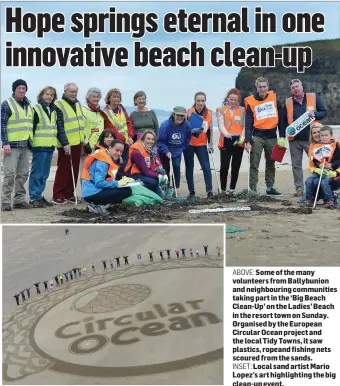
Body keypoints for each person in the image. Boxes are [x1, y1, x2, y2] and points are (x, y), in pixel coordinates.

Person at [282, 79, 327, 197]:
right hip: (294, 139)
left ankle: (322, 186)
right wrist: (284, 134)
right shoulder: (287, 102)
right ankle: (299, 189)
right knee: (296, 165)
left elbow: (324, 112)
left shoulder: (313, 97)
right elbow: (283, 121)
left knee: (317, 162)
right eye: (293, 88)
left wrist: (315, 114)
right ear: (291, 90)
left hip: (311, 138)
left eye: (297, 86)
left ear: (302, 87)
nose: (296, 89)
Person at [28, 86, 69, 207]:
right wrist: (30, 144)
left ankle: (39, 196)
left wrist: (64, 143)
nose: (49, 97)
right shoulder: (36, 109)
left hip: (50, 146)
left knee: (45, 174)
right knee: (37, 173)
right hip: (39, 146)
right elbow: (32, 128)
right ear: (41, 95)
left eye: (51, 95)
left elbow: (57, 129)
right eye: (47, 94)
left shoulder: (54, 111)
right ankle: (34, 197)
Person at [244, 77, 285, 196]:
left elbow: (281, 119)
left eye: (264, 87)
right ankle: (252, 189)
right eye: (260, 87)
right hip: (257, 136)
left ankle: (270, 187)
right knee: (254, 164)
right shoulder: (250, 102)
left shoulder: (274, 98)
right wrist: (247, 141)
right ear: (256, 88)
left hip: (272, 136)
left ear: (268, 87)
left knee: (271, 163)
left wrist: (282, 136)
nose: (262, 89)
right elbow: (248, 123)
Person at [1, 79, 34, 211]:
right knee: (9, 174)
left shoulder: (29, 105)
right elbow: (2, 124)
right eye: (19, 88)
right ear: (14, 89)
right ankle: (5, 201)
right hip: (12, 146)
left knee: (23, 174)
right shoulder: (6, 104)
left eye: (23, 88)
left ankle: (19, 200)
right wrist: (5, 143)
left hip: (26, 145)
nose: (21, 90)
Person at [52, 83, 85, 205]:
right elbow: (59, 125)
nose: (74, 94)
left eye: (76, 91)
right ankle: (58, 195)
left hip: (78, 141)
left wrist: (84, 140)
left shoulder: (77, 103)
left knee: (75, 169)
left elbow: (81, 123)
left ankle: (69, 194)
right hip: (66, 143)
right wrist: (65, 143)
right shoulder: (58, 104)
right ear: (65, 91)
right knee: (63, 169)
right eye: (71, 91)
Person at [81, 139, 133, 213]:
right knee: (126, 191)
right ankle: (97, 205)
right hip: (92, 193)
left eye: (121, 151)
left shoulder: (105, 156)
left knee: (126, 189)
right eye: (117, 150)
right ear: (110, 148)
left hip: (91, 190)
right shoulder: (103, 161)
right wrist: (118, 183)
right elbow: (99, 183)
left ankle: (99, 205)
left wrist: (124, 180)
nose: (119, 153)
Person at [184, 92, 213, 198]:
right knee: (189, 167)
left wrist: (210, 144)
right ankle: (191, 191)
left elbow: (210, 130)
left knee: (206, 167)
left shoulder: (209, 113)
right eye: (198, 101)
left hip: (202, 144)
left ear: (205, 101)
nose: (201, 103)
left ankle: (209, 190)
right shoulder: (189, 112)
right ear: (195, 101)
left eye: (203, 101)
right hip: (189, 144)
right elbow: (185, 129)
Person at [216, 88, 245, 194]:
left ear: (238, 100)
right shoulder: (221, 109)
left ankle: (232, 189)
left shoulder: (242, 110)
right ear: (227, 98)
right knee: (224, 166)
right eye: (231, 99)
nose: (233, 102)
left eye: (235, 100)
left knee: (235, 167)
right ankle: (223, 189)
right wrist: (226, 134)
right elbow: (220, 124)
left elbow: (244, 126)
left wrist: (242, 137)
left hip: (239, 141)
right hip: (226, 140)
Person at [304, 126, 340, 209]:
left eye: (326, 135)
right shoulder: (317, 147)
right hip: (320, 169)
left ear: (331, 136)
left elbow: (338, 159)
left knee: (324, 182)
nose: (324, 137)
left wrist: (332, 165)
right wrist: (319, 165)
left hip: (330, 171)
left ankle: (329, 200)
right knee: (309, 180)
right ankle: (309, 199)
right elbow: (314, 160)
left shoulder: (336, 146)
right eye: (322, 136)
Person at [157, 106, 192, 191]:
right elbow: (159, 142)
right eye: (178, 115)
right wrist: (166, 151)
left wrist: (183, 147)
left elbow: (188, 138)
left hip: (177, 150)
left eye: (182, 116)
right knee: (166, 170)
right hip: (164, 149)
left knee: (176, 166)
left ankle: (176, 188)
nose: (180, 117)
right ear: (173, 115)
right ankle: (166, 189)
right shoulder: (165, 125)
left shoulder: (187, 125)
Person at [125, 130, 168, 197]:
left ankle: (159, 197)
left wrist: (163, 174)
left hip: (145, 173)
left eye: (152, 139)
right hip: (134, 175)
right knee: (153, 182)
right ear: (143, 139)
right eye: (148, 139)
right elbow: (145, 171)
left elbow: (159, 164)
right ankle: (139, 192)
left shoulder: (153, 150)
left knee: (162, 183)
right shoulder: (137, 152)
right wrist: (159, 176)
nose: (150, 141)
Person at [103, 88, 134, 171]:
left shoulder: (122, 109)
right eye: (114, 97)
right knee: (114, 166)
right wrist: (124, 140)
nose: (116, 99)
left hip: (126, 143)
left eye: (118, 97)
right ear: (109, 98)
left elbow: (128, 122)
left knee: (125, 165)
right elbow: (111, 129)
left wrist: (130, 136)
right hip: (115, 144)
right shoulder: (105, 112)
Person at [80, 87, 106, 174]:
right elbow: (81, 128)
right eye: (93, 96)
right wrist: (85, 144)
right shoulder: (83, 110)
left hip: (98, 146)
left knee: (96, 172)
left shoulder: (99, 111)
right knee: (86, 172)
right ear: (88, 97)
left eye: (97, 97)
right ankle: (85, 188)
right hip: (87, 146)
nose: (96, 99)